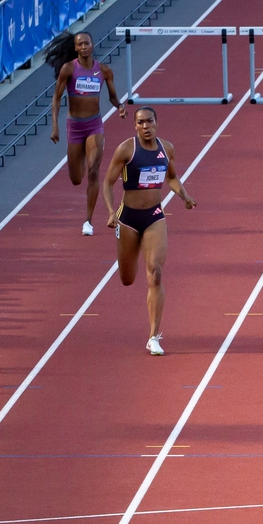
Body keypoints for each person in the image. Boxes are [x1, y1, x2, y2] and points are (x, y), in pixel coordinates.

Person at [101, 107, 196, 355]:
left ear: (156, 123)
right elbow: (108, 183)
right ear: (135, 126)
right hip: (128, 219)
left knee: (155, 271)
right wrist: (111, 211)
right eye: (141, 122)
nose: (146, 126)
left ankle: (153, 335)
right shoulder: (126, 150)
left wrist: (184, 196)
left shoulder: (167, 149)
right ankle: (126, 255)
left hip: (154, 216)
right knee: (127, 279)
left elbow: (171, 178)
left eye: (149, 121)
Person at [49, 31, 125, 235]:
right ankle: (80, 154)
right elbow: (56, 99)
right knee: (76, 178)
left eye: (86, 43)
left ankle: (88, 222)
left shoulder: (104, 71)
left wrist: (120, 106)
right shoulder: (68, 69)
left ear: (93, 45)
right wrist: (55, 126)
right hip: (75, 126)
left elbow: (113, 96)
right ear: (75, 48)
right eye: (80, 44)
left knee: (93, 172)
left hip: (94, 125)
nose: (83, 47)